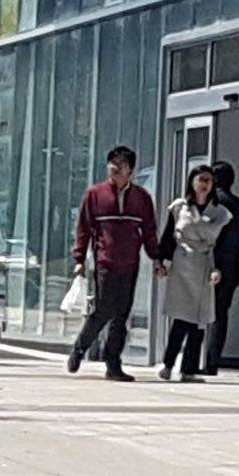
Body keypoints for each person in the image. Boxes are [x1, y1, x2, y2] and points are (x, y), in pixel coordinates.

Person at [66, 145, 160, 382]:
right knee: (103, 310)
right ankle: (79, 349)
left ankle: (113, 363)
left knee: (121, 315)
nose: (115, 169)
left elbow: (149, 231)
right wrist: (79, 259)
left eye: (121, 165)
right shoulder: (95, 195)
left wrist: (156, 257)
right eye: (112, 164)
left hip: (130, 263)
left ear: (131, 170)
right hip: (105, 262)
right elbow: (83, 229)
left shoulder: (142, 198)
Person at [155, 165, 230, 382]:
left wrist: (218, 269)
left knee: (199, 319)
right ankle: (169, 363)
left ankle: (188, 368)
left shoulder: (220, 212)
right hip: (182, 264)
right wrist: (161, 262)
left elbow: (223, 246)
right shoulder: (179, 207)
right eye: (201, 179)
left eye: (208, 180)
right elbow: (168, 237)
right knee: (182, 316)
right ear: (192, 182)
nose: (204, 184)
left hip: (204, 264)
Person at [205, 161, 239, 375]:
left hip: (208, 262)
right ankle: (212, 360)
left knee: (196, 312)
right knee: (220, 313)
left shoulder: (210, 205)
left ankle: (194, 359)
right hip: (232, 263)